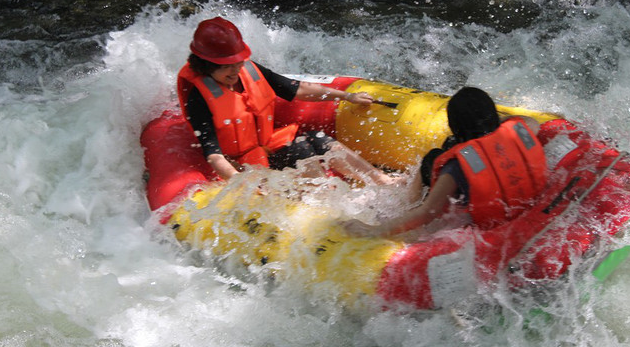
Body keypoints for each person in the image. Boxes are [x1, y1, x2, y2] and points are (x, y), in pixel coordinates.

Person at [177, 16, 394, 185]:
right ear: (206, 65)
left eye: (237, 63)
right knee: (302, 152)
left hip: (267, 147)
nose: (235, 70)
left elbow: (297, 89)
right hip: (245, 166)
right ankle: (324, 207)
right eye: (226, 66)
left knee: (318, 139)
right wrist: (238, 183)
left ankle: (382, 180)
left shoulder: (248, 70)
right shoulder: (199, 99)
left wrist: (347, 96)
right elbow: (213, 156)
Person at [342, 87, 548, 237]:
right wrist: (491, 125)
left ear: (454, 126)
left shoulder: (456, 167)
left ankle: (406, 201)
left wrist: (375, 231)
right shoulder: (523, 130)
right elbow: (530, 121)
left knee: (431, 158)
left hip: (483, 225)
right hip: (526, 209)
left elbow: (426, 213)